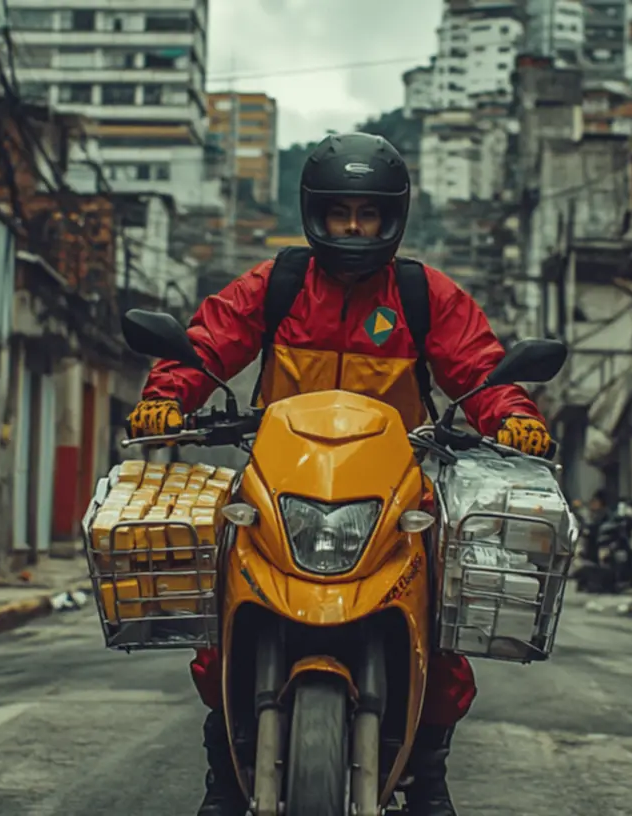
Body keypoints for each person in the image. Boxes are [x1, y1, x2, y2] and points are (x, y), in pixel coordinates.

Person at [124, 132, 556, 816]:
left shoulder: (422, 295)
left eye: (368, 215)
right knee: (220, 618)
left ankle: (428, 775)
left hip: (394, 493)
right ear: (315, 215)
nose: (354, 228)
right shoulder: (277, 286)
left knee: (444, 627)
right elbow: (208, 341)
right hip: (280, 484)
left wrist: (511, 416)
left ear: (393, 219)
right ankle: (223, 776)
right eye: (339, 214)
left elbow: (478, 370)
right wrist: (166, 395)